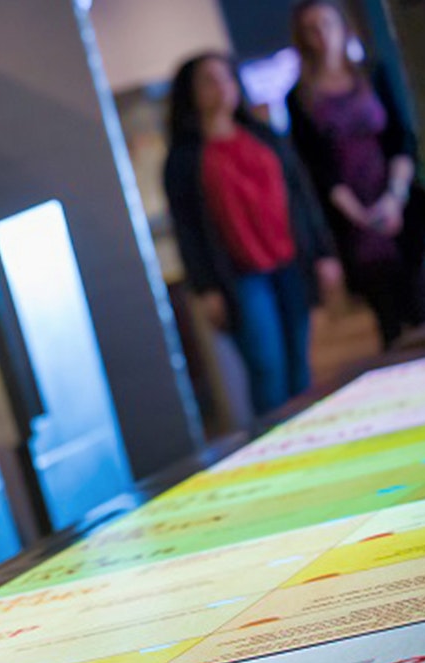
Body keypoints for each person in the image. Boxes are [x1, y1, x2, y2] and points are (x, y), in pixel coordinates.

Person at [164, 53, 337, 417]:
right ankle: (274, 453)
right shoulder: (183, 159)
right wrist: (206, 287)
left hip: (290, 260)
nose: (221, 87)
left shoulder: (263, 136)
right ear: (192, 93)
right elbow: (188, 230)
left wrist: (324, 253)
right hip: (239, 275)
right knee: (267, 367)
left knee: (299, 365)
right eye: (209, 81)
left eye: (225, 77)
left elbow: (301, 197)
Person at [286, 0, 425, 348]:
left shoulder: (373, 73)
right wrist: (360, 216)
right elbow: (317, 169)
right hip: (350, 216)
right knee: (387, 317)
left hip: (396, 199)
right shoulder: (299, 98)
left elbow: (401, 138)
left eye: (326, 24)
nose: (321, 35)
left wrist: (394, 199)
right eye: (311, 28)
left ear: (342, 26)